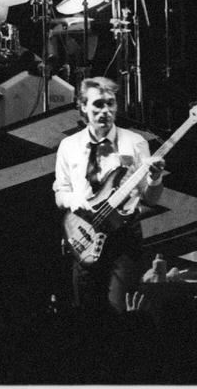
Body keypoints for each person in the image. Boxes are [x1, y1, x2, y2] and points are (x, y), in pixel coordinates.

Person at [53, 76, 164, 312]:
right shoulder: (69, 146)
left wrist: (155, 178)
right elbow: (60, 193)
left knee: (121, 309)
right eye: (97, 104)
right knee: (85, 313)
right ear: (83, 106)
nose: (105, 110)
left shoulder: (135, 142)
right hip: (84, 235)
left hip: (124, 238)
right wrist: (78, 201)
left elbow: (151, 199)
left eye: (110, 103)